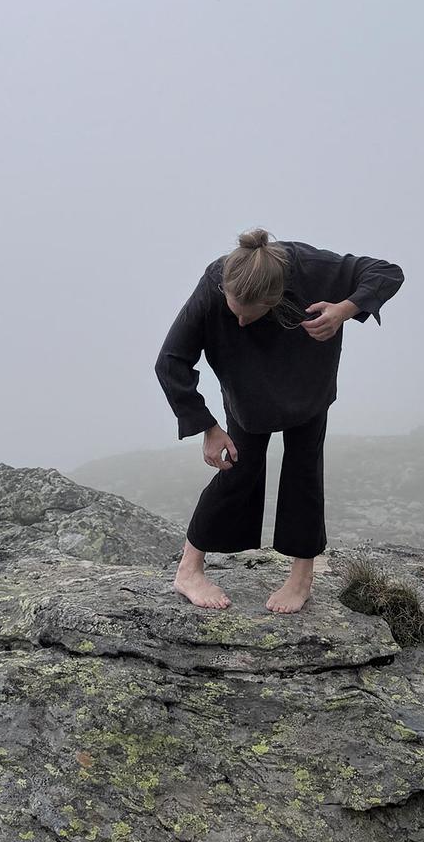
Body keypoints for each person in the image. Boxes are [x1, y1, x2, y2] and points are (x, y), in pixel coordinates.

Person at [154, 227, 405, 614]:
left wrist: (344, 309)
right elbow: (171, 361)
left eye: (248, 314)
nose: (239, 321)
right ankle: (188, 570)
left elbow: (387, 272)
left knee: (304, 473)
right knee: (238, 471)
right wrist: (208, 427)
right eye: (233, 310)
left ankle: (301, 579)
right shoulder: (214, 284)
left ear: (273, 300)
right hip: (247, 395)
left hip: (308, 385)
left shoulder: (312, 267)